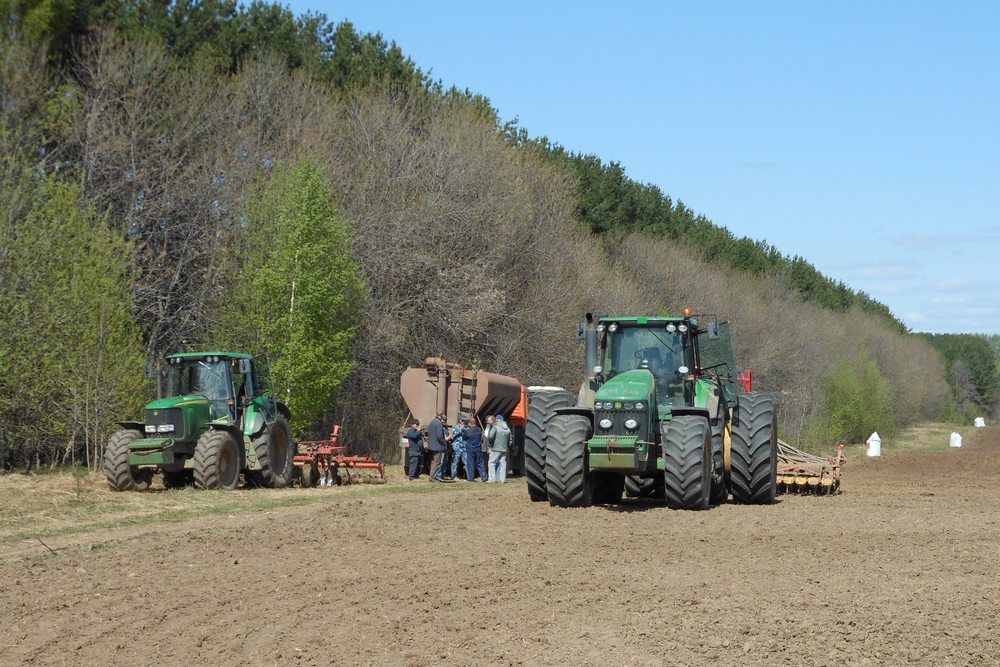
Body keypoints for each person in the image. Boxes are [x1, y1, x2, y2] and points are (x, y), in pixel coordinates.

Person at [488, 414, 512, 483]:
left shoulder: (495, 427)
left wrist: (491, 444)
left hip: (495, 448)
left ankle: (492, 479)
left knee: (491, 462)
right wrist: (506, 446)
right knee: (503, 464)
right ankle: (502, 480)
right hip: (504, 449)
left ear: (497, 420)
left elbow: (490, 437)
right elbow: (510, 440)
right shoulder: (508, 429)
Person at [427, 411, 449, 482]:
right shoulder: (439, 423)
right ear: (441, 415)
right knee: (437, 462)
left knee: (433, 462)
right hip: (437, 446)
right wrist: (444, 442)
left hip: (432, 445)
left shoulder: (432, 421)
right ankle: (432, 477)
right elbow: (440, 436)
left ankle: (432, 476)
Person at [449, 415, 468, 480]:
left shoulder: (467, 428)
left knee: (466, 461)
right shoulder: (456, 427)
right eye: (462, 420)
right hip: (457, 446)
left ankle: (469, 476)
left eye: (464, 421)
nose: (463, 422)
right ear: (460, 420)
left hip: (464, 447)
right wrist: (461, 429)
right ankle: (453, 476)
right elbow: (453, 435)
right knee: (455, 461)